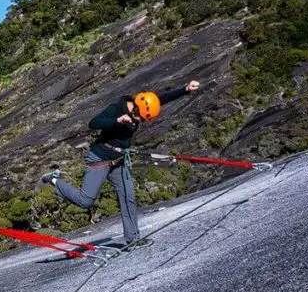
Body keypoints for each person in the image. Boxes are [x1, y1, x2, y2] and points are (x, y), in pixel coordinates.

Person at [40, 81, 201, 248]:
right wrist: (117, 120)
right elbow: (93, 123)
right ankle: (54, 180)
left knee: (128, 197)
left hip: (118, 161)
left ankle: (132, 239)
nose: (139, 122)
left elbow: (162, 99)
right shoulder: (116, 109)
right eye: (140, 118)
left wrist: (185, 89)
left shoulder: (144, 104)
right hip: (100, 159)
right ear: (136, 108)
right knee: (85, 201)